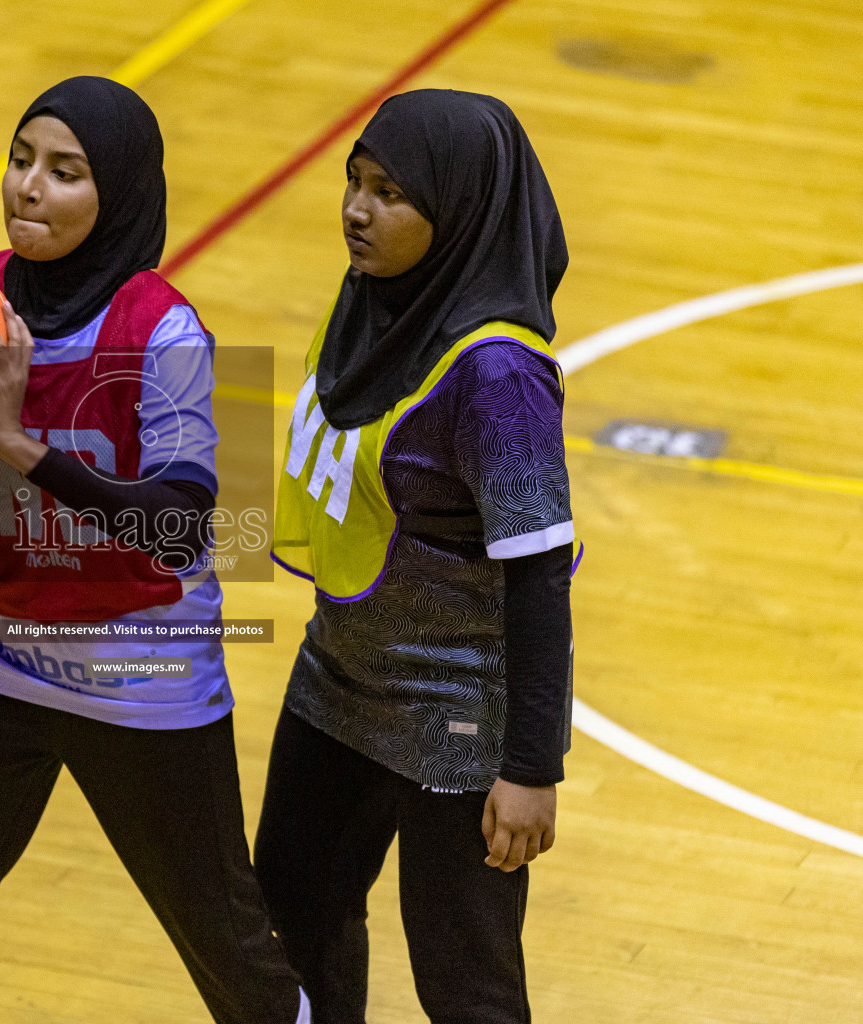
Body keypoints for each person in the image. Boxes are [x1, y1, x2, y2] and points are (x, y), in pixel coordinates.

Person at [0, 76, 308, 1024]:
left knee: (231, 958)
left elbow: (183, 527)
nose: (28, 188)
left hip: (139, 671)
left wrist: (21, 447)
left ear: (115, 195)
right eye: (21, 159)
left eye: (66, 172)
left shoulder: (165, 330)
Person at [255, 89, 575, 1024]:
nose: (357, 209)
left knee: (464, 988)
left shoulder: (497, 376)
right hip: (335, 684)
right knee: (290, 921)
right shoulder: (368, 305)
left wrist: (531, 768)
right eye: (354, 181)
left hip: (457, 725)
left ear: (460, 210)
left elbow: (540, 577)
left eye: (391, 192)